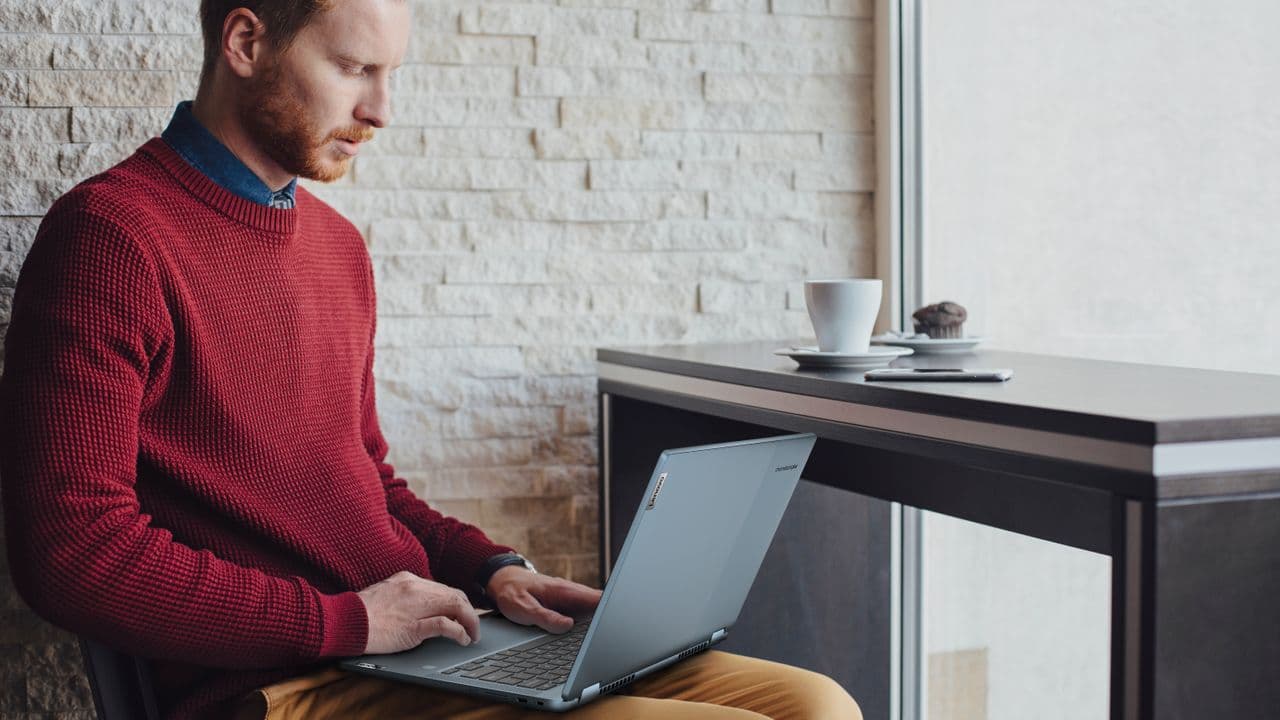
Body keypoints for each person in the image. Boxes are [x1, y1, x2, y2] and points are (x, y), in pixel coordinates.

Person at [0, 1, 863, 718]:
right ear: (246, 42)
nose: (380, 110)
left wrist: (494, 570)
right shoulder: (112, 239)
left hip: (412, 646)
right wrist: (344, 623)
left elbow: (369, 482)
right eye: (353, 70)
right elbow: (73, 555)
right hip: (288, 683)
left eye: (391, 74)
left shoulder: (336, 249)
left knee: (816, 704)